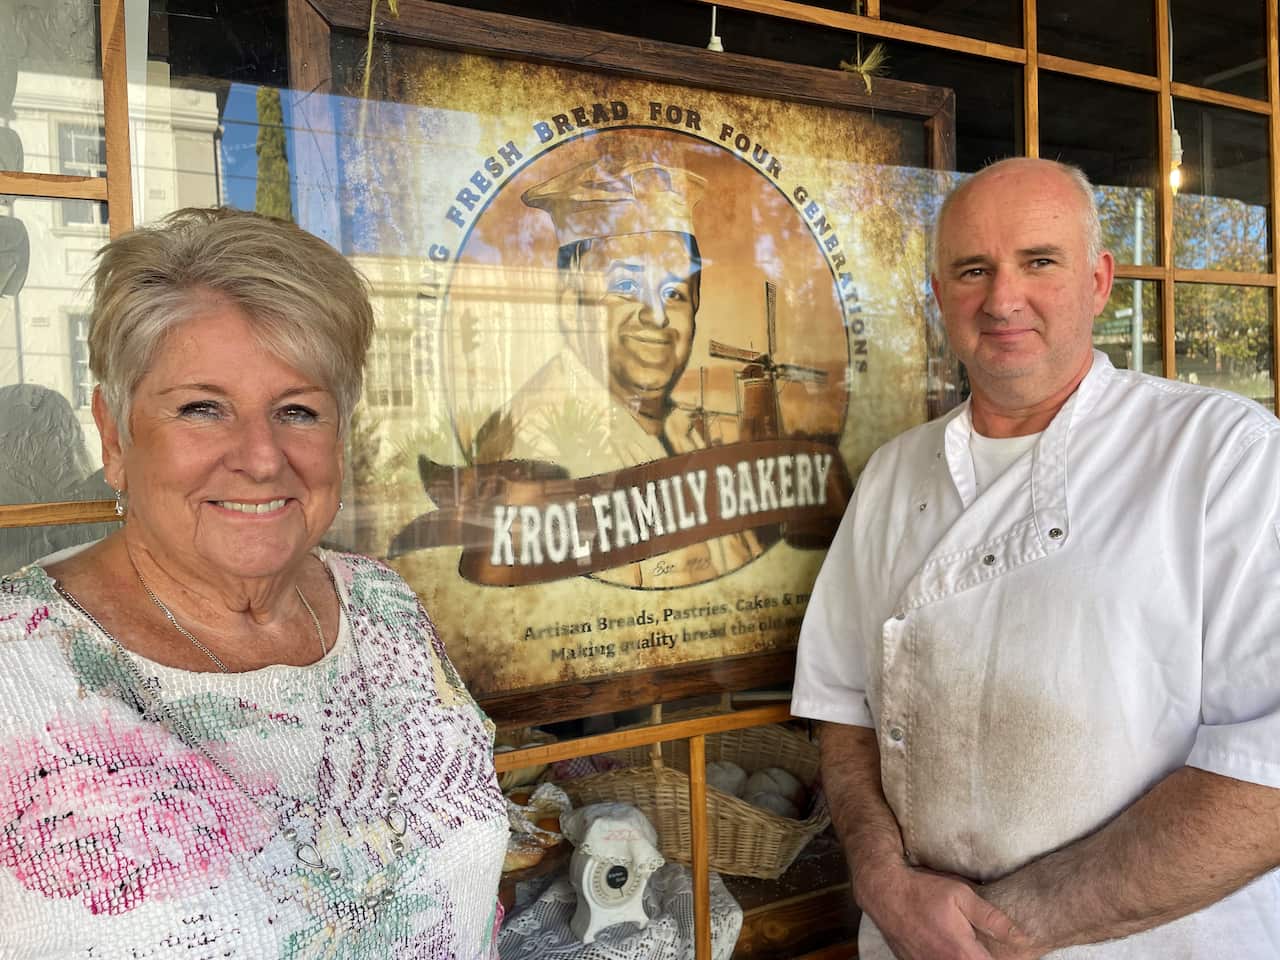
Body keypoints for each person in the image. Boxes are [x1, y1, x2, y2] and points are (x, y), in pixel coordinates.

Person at [792, 158, 1280, 959]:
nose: (1002, 298)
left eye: (1039, 261)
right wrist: (883, 882)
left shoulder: (1226, 457)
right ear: (940, 295)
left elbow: (1269, 773)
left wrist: (1010, 929)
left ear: (1098, 281)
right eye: (973, 270)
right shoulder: (892, 475)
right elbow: (844, 711)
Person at [0, 208, 507, 958]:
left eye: (297, 410)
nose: (262, 458)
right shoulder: (16, 671)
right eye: (203, 408)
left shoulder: (383, 606)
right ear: (114, 435)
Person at [476, 156, 762, 588]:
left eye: (675, 292)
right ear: (571, 304)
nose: (657, 316)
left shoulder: (683, 431)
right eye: (626, 286)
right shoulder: (539, 446)